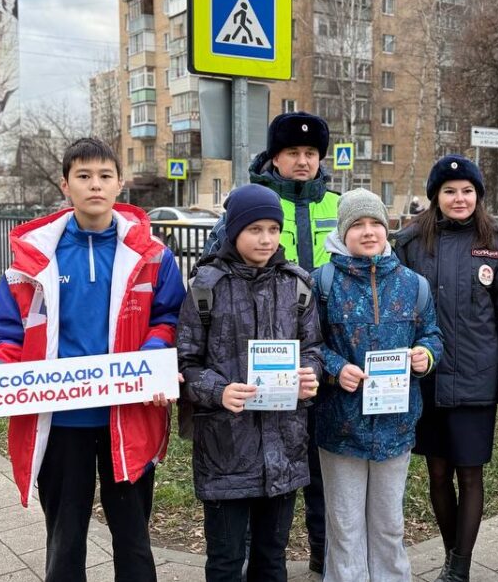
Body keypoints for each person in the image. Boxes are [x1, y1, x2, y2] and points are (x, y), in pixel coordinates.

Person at [0, 138, 186, 582]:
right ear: (65, 185)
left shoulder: (153, 256)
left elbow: (168, 318)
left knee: (134, 537)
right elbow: (8, 336)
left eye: (104, 176)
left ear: (119, 184)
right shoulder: (32, 260)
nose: (95, 185)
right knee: (65, 537)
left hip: (127, 418)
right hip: (61, 421)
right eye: (83, 176)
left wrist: (153, 361)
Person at [202, 110, 338, 572]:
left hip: (323, 359)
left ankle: (322, 554)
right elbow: (215, 273)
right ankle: (243, 558)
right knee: (260, 465)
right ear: (274, 158)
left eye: (311, 153)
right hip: (254, 371)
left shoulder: (338, 206)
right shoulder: (249, 205)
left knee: (318, 467)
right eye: (292, 152)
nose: (303, 161)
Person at [394, 155, 498, 582]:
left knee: (470, 473)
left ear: (478, 195)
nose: (460, 198)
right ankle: (450, 556)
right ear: (435, 196)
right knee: (437, 472)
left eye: (468, 191)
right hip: (428, 378)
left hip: (476, 377)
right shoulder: (410, 242)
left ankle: (460, 568)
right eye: (450, 191)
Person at [176, 183, 323, 582]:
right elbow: (186, 363)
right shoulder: (206, 287)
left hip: (284, 448)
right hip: (225, 449)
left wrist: (310, 374)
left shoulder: (297, 284)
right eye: (255, 229)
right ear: (234, 230)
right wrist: (218, 391)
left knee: (271, 559)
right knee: (225, 561)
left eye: (273, 229)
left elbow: (313, 347)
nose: (266, 239)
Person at [313, 189, 443, 582]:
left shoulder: (413, 284)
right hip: (340, 426)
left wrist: (425, 355)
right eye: (358, 225)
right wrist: (336, 369)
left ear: (387, 229)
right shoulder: (322, 283)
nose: (368, 232)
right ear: (343, 232)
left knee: (389, 524)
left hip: (395, 425)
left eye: (375, 223)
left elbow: (432, 334)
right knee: (345, 526)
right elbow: (308, 344)